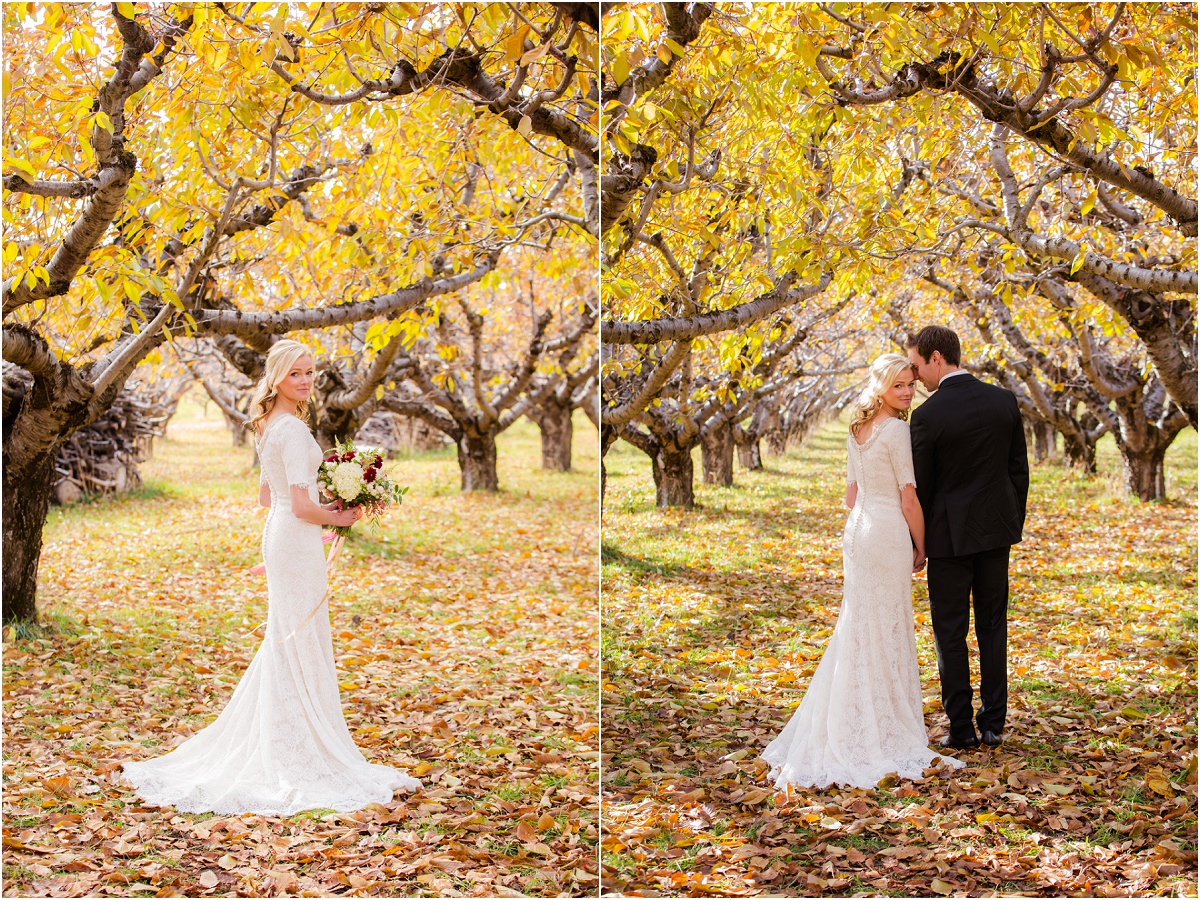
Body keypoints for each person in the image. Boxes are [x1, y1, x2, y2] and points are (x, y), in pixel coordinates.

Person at [122, 339, 421, 814]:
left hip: (283, 534)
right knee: (295, 636)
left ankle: (290, 730)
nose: (305, 380)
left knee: (288, 636)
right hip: (294, 537)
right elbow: (300, 504)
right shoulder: (290, 430)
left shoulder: (271, 425)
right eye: (295, 373)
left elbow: (269, 498)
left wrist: (317, 513)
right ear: (277, 378)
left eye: (310, 372)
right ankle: (295, 745)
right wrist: (337, 516)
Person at [761, 353, 963, 790]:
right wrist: (922, 546)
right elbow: (908, 498)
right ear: (881, 388)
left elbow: (851, 495)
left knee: (859, 624)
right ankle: (882, 725)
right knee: (885, 624)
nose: (908, 393)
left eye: (911, 384)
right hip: (886, 531)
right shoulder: (896, 430)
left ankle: (853, 715)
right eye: (899, 387)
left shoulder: (857, 429)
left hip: (856, 532)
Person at [907, 326, 1029, 750]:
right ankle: (994, 722)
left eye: (918, 366)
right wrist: (1012, 522)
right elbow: (1018, 471)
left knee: (950, 631)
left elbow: (922, 487)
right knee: (994, 627)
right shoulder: (1003, 400)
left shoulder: (926, 416)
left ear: (936, 358)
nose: (917, 376)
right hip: (996, 533)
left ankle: (960, 727)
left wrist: (916, 545)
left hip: (949, 540)